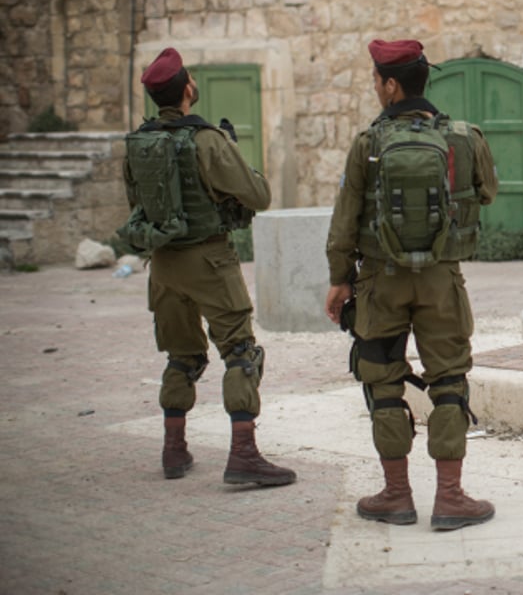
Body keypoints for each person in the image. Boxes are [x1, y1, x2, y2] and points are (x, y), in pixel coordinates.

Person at [324, 38, 499, 531]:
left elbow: (344, 221)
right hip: (442, 279)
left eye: (377, 80)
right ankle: (450, 498)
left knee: (382, 382)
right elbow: (487, 192)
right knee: (448, 380)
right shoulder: (464, 137)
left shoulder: (367, 144)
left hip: (380, 281)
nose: (375, 88)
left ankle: (396, 495)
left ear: (392, 85)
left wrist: (340, 280)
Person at [124, 47, 295, 486]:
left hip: (162, 264)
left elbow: (137, 205)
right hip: (209, 259)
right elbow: (258, 197)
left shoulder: (140, 142)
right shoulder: (206, 140)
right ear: (187, 89)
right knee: (240, 353)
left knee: (181, 355)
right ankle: (243, 456)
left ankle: (174, 450)